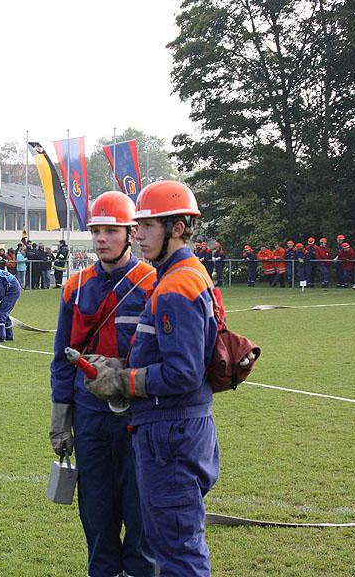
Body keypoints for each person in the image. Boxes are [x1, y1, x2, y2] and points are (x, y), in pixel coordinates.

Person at [85, 180, 242, 576]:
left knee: (177, 551)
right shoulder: (185, 274)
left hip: (171, 432)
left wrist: (125, 381)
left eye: (148, 225)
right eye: (137, 226)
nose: (137, 234)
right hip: (178, 427)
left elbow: (184, 372)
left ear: (177, 227)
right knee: (171, 542)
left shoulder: (175, 285)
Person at [50, 191, 158, 577]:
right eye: (96, 230)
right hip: (90, 417)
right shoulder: (74, 287)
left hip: (138, 416)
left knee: (140, 511)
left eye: (111, 231)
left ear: (130, 233)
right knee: (96, 512)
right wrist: (61, 416)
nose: (101, 239)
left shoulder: (152, 284)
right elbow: (62, 358)